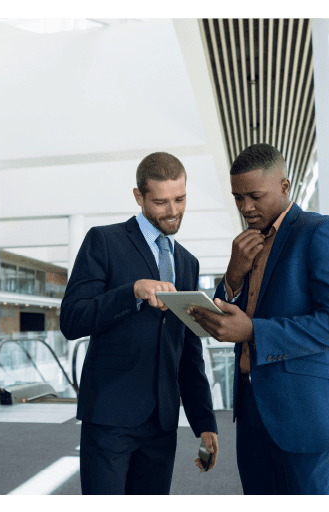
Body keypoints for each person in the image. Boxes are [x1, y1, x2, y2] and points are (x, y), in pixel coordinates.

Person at [188, 143, 329, 494]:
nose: (245, 208)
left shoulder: (321, 231)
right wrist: (233, 275)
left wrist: (254, 331)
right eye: (238, 198)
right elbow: (229, 310)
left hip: (305, 416)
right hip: (251, 414)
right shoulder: (246, 243)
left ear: (285, 187)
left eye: (254, 196)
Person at [60, 152, 219, 495]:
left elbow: (188, 348)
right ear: (139, 197)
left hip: (162, 421)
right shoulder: (104, 241)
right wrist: (131, 292)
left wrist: (204, 422)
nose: (173, 210)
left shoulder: (187, 262)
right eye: (161, 202)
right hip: (110, 416)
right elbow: (72, 319)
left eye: (180, 198)